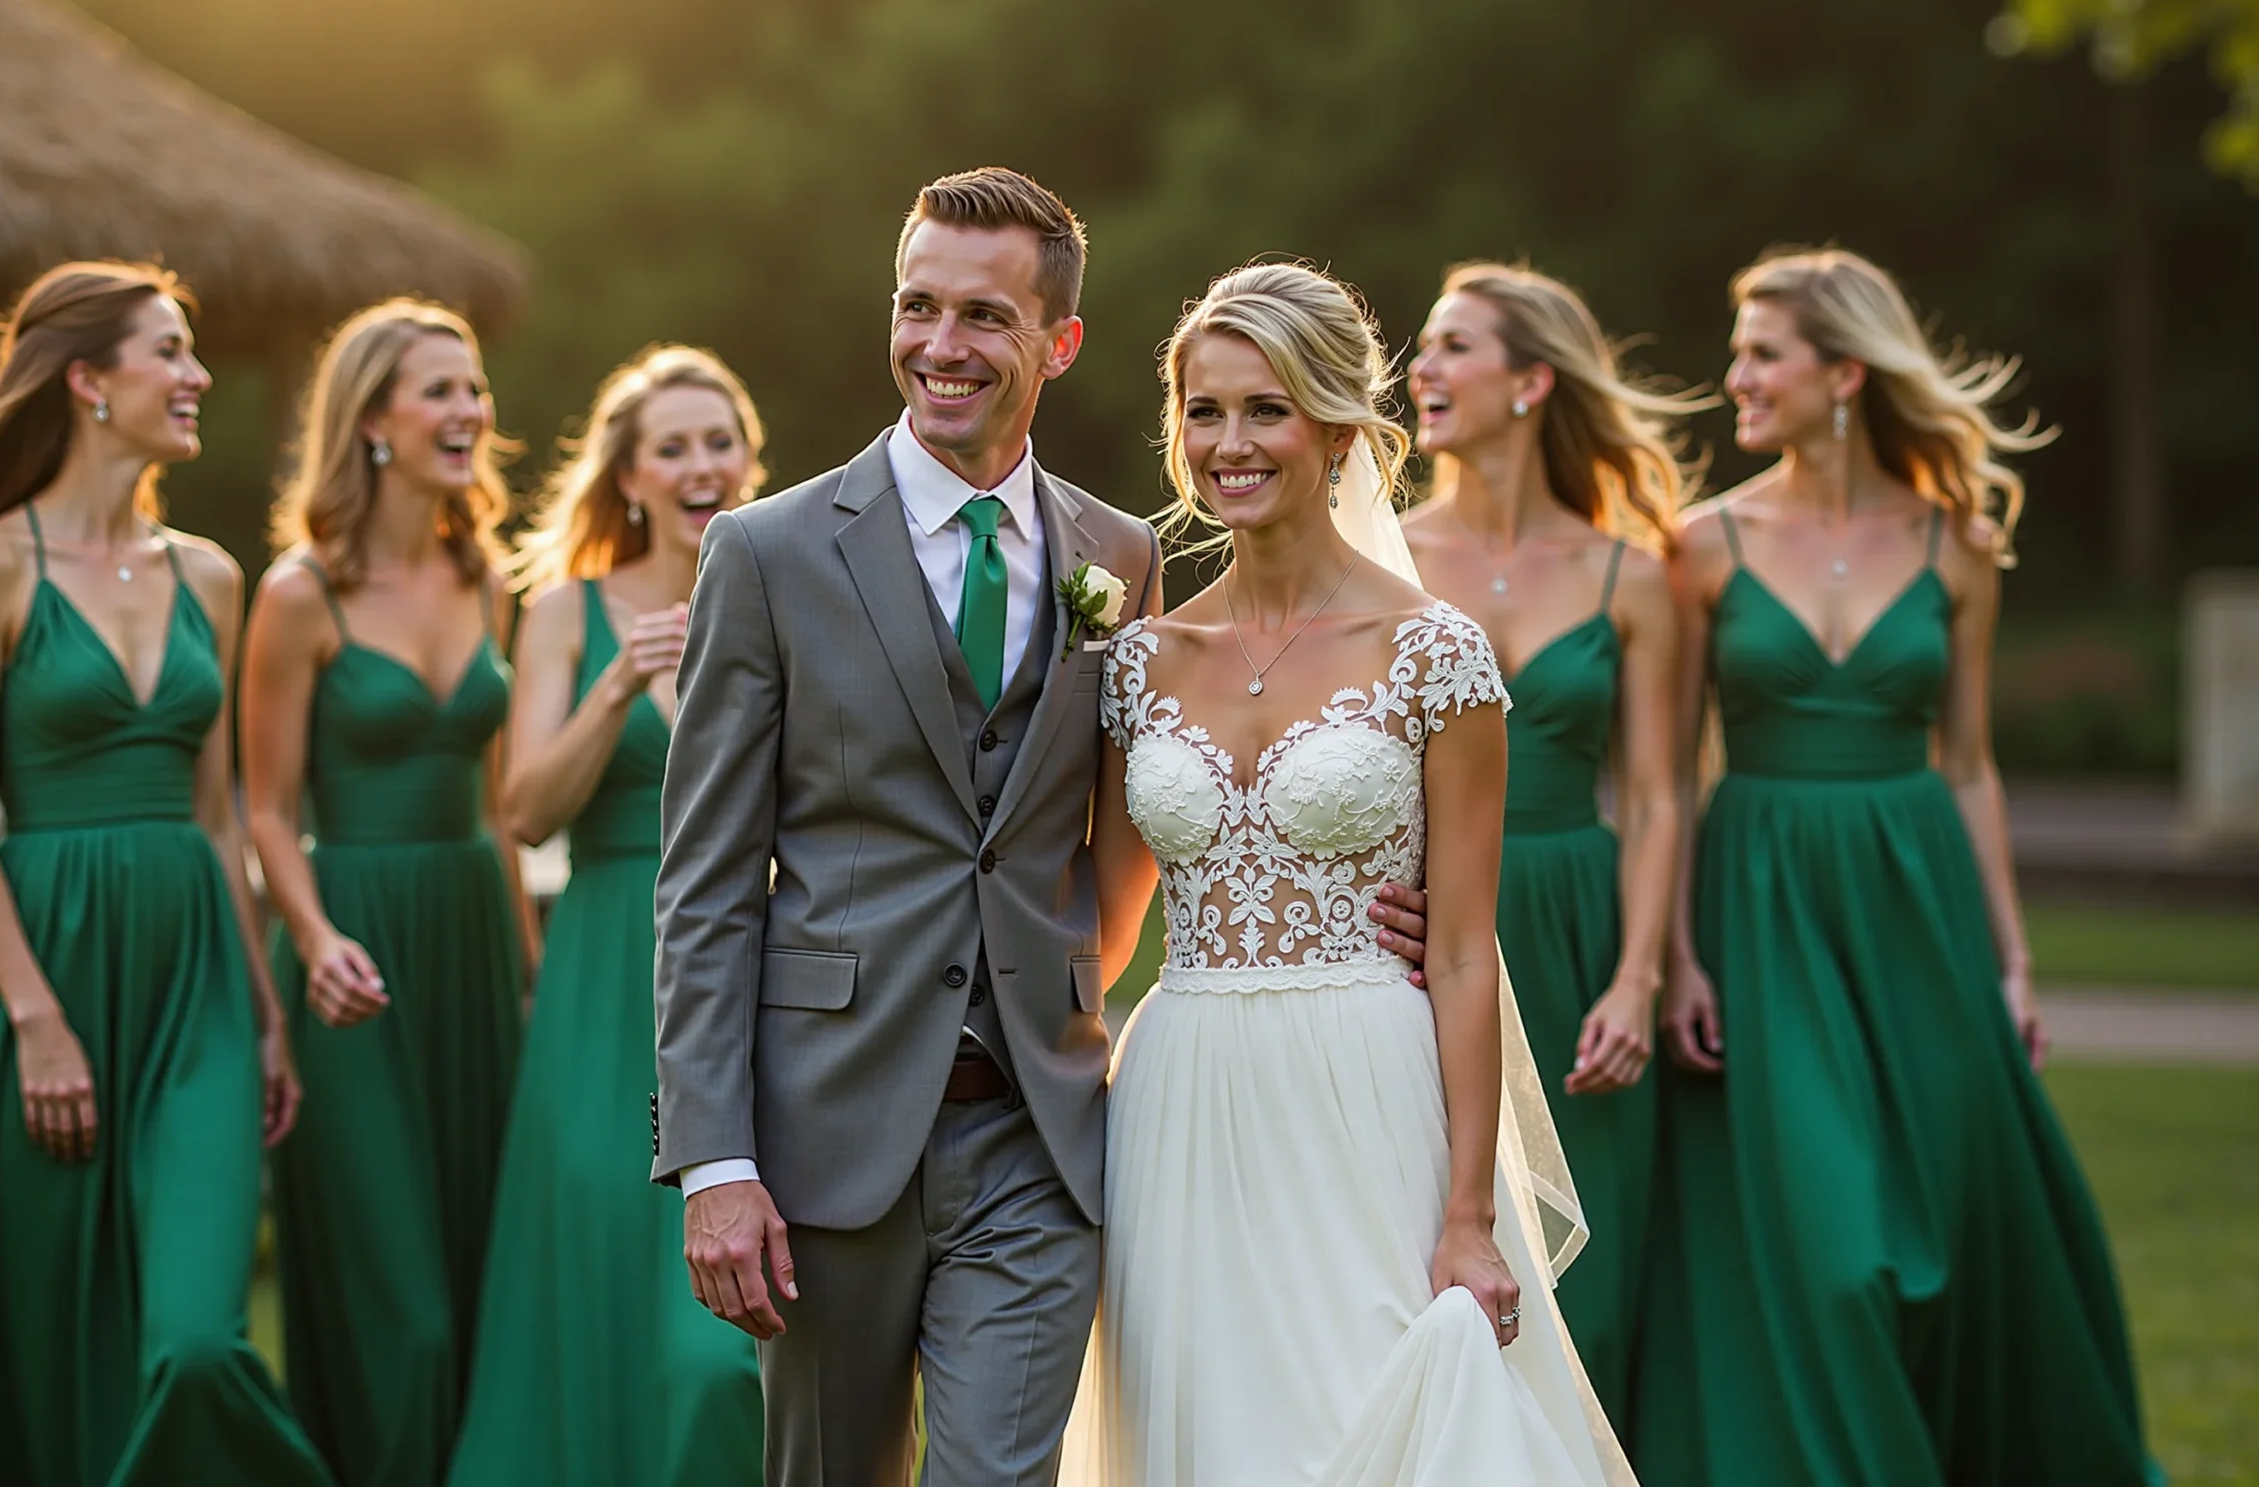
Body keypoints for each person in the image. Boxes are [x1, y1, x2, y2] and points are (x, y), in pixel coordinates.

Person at [651, 168, 1435, 1486]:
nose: (940, 347)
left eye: (983, 317)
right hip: (823, 1130)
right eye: (917, 307)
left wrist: (1350, 893)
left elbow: (1168, 798)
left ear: (1057, 342)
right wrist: (714, 1154)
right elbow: (708, 880)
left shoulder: (1118, 554)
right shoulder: (766, 552)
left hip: (1038, 1124)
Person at [1061, 260, 1629, 1487]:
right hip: (1182, 1099)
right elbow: (1100, 930)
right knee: (1211, 1436)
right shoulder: (1138, 660)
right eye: (1202, 412)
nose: (1230, 443)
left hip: (1372, 1090)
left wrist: (1469, 1215)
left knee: (1371, 1419)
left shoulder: (1433, 653)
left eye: (1263, 408)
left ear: (1334, 426)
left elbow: (1469, 949)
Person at [1638, 248, 2156, 1486]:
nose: (1737, 377)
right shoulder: (1698, 548)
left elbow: (1969, 764)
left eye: (1764, 353)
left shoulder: (1956, 543)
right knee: (1836, 1253)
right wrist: (1675, 954)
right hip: (1759, 902)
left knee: (1949, 1235)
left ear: (1845, 373)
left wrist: (2014, 959)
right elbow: (1664, 775)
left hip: (1916, 901)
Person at [0, 263, 331, 1486]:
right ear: (87, 381)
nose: (198, 377)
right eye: (169, 352)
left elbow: (215, 808)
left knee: (191, 1339)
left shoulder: (211, 575)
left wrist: (266, 1005)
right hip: (47, 977)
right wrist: (33, 1019)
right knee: (52, 1337)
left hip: (200, 993)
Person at [447, 343, 769, 1484]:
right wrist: (617, 683)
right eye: (670, 447)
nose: (699, 463)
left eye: (717, 441)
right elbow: (525, 810)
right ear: (628, 477)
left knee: (723, 1348)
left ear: (747, 460)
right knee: (595, 1274)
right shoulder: (564, 611)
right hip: (604, 973)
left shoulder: (788, 591)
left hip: (750, 972)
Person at [240, 301, 531, 1487]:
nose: (468, 411)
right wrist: (311, 940)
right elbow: (262, 806)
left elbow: (505, 808)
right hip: (350, 958)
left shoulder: (488, 576)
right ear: (369, 420)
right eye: (439, 391)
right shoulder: (300, 591)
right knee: (394, 1301)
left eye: (475, 390)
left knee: (480, 1279)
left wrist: (530, 971)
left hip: (470, 942)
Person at [1401, 262, 1697, 1420]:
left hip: (1576, 926)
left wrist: (1637, 975)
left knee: (1592, 1279)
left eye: (1453, 347)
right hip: (1427, 932)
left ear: (1531, 381)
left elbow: (1660, 795)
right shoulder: (1386, 560)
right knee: (1443, 1249)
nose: (1421, 369)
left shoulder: (1632, 574)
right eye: (1422, 347)